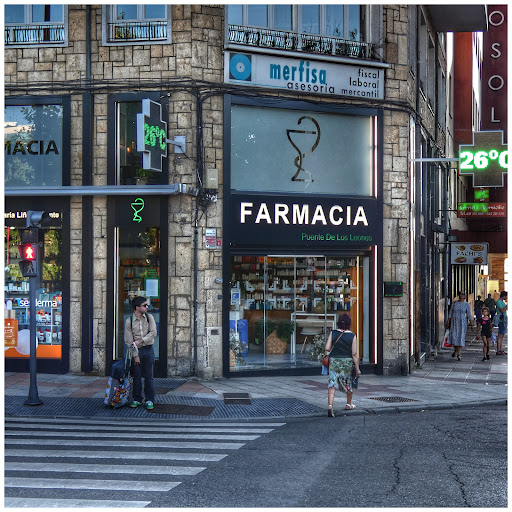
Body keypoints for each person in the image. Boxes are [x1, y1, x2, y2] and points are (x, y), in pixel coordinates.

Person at [324, 313, 361, 417]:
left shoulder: (333, 333)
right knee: (349, 382)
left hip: (334, 361)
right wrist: (357, 369)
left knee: (332, 383)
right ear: (349, 323)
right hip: (347, 362)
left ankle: (330, 406)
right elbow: (354, 354)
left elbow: (327, 348)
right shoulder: (352, 336)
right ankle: (349, 404)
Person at [125, 296, 157, 410]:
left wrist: (141, 340)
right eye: (144, 305)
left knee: (149, 376)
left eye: (146, 305)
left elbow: (153, 333)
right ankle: (137, 399)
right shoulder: (129, 321)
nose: (147, 307)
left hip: (148, 349)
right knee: (136, 376)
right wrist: (135, 356)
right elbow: (129, 341)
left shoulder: (149, 317)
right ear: (137, 307)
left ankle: (149, 399)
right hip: (136, 351)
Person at [446, 291, 474, 360]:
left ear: (465, 296)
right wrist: (448, 321)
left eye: (463, 294)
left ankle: (459, 354)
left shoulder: (466, 304)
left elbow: (469, 314)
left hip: (462, 322)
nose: (461, 295)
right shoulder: (454, 303)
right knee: (454, 337)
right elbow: (450, 312)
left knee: (461, 337)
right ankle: (455, 350)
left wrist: (472, 324)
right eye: (460, 294)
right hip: (454, 322)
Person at [496, 291, 507, 355]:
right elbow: (502, 310)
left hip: (504, 320)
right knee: (500, 335)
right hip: (501, 320)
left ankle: (501, 349)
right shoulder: (499, 302)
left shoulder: (502, 302)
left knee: (502, 335)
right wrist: (506, 307)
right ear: (504, 296)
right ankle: (498, 349)